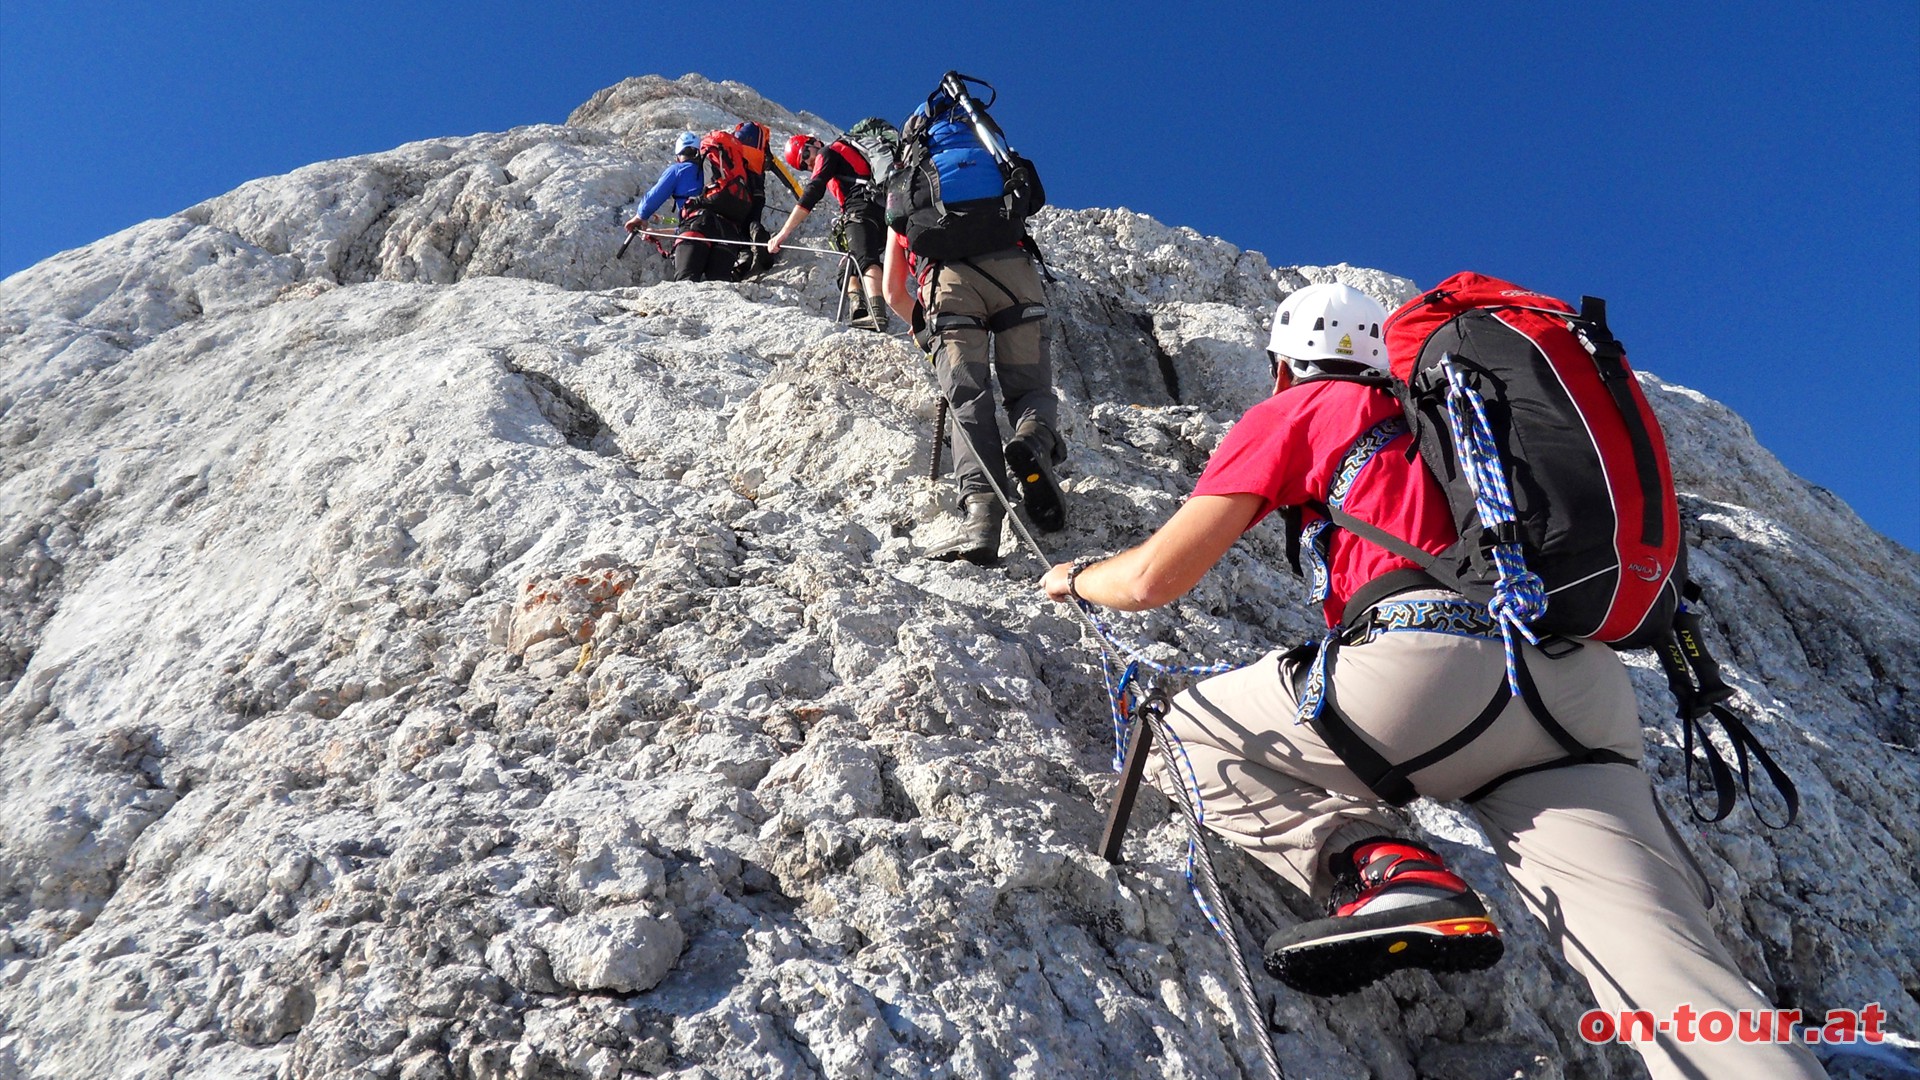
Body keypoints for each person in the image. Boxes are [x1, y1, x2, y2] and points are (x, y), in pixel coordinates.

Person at [1038, 282, 1826, 1080]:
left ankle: (1390, 872)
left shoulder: (1302, 409)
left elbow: (1151, 580)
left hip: (1429, 668)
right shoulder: (1455, 414)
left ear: (1282, 366)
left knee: (1181, 726)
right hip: (1582, 693)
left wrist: (1074, 576)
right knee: (1671, 982)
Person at [881, 219, 1065, 565]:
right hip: (1015, 274)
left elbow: (893, 293)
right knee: (1030, 388)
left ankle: (982, 515)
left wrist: (925, 331)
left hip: (948, 286)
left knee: (968, 398)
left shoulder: (905, 193)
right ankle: (1034, 441)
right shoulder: (985, 167)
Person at [768, 133, 891, 331]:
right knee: (847, 269)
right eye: (803, 165)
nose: (808, 163)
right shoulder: (843, 159)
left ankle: (877, 314)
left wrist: (783, 233)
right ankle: (859, 312)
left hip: (861, 210)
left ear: (815, 142)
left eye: (806, 153)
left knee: (864, 259)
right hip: (878, 211)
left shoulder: (828, 152)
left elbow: (813, 192)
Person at [625, 132, 740, 283]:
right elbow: (706, 222)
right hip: (728, 234)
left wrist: (640, 217)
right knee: (720, 286)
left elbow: (655, 197)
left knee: (685, 285)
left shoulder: (678, 170)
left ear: (678, 156)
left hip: (696, 231)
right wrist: (660, 233)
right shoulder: (718, 176)